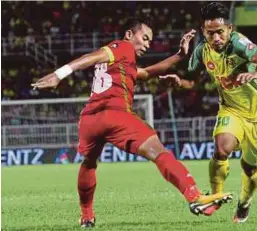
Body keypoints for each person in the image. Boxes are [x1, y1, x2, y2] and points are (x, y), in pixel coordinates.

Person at [31, 18, 232, 228]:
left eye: (149, 42)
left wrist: (179, 56)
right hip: (115, 115)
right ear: (129, 34)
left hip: (89, 120)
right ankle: (194, 196)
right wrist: (59, 74)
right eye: (144, 38)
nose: (147, 44)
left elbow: (145, 73)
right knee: (157, 150)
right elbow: (94, 56)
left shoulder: (123, 61)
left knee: (89, 163)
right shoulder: (122, 46)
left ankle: (86, 216)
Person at [185, 2, 257, 223]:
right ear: (204, 31)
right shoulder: (202, 51)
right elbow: (191, 79)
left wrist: (254, 73)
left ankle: (244, 202)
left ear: (229, 29)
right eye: (210, 33)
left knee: (250, 167)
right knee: (221, 149)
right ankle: (215, 197)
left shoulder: (239, 43)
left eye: (220, 33)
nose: (216, 38)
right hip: (231, 109)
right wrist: (178, 80)